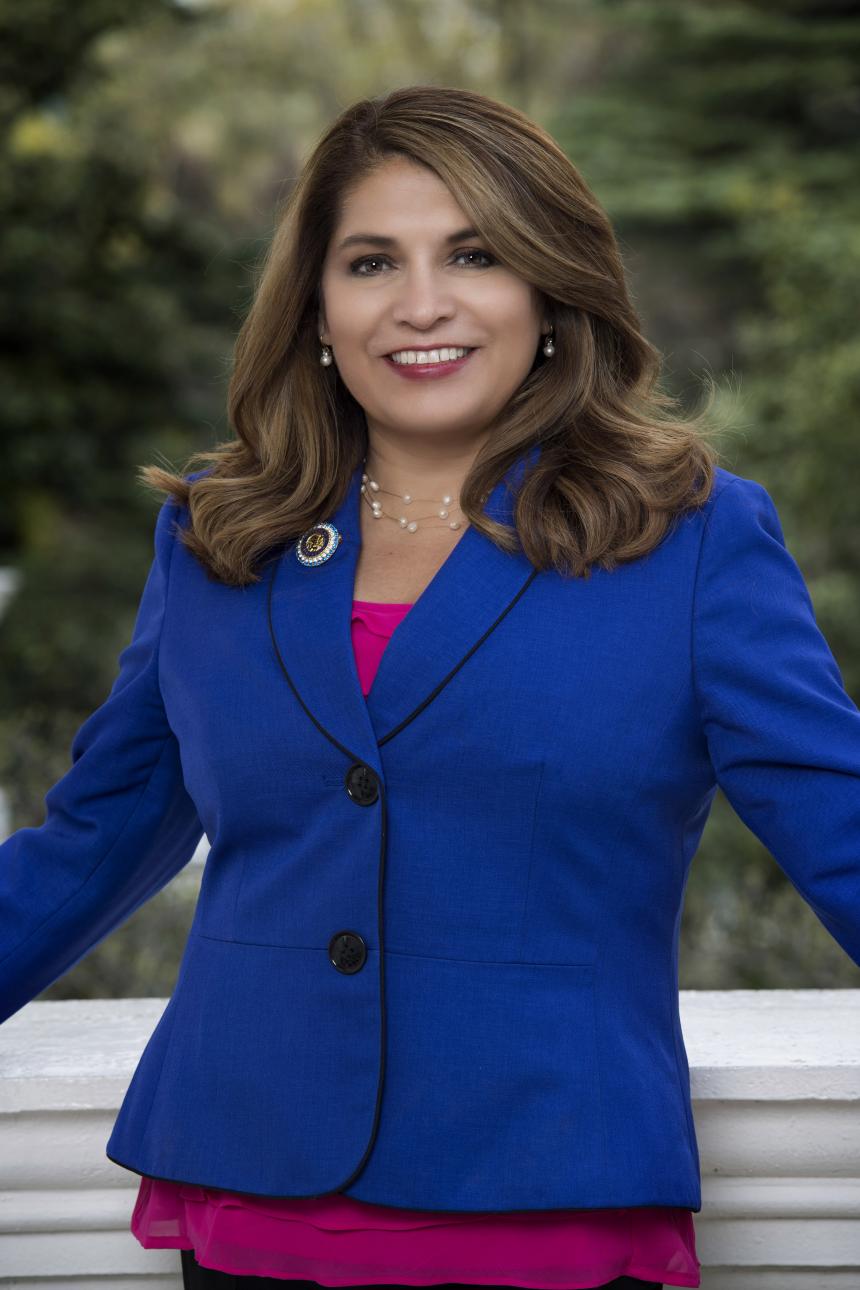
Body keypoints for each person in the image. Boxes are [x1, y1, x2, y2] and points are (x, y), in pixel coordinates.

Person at [3, 85, 859, 1290]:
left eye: (473, 254)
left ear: (549, 293)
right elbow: (94, 838)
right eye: (369, 262)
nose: (420, 305)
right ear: (314, 306)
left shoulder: (692, 538)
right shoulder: (218, 537)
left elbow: (841, 829)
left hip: (549, 1201)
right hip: (250, 1202)